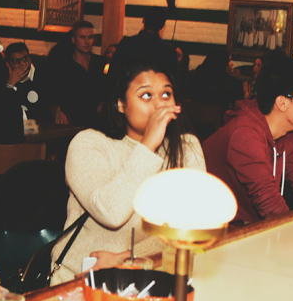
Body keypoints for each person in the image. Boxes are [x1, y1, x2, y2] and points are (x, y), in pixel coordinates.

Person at [51, 58, 206, 284]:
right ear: (121, 104)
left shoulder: (186, 147)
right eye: (146, 95)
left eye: (166, 94)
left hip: (155, 275)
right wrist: (148, 146)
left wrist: (128, 258)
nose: (159, 105)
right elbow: (112, 213)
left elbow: (190, 228)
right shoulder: (89, 144)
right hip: (81, 279)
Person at [202, 57, 293, 225]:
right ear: (282, 103)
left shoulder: (290, 136)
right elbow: (272, 209)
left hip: (249, 228)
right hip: (212, 228)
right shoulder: (245, 136)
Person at [44, 20, 106, 127]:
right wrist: (57, 111)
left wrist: (104, 103)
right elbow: (51, 91)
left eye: (90, 37)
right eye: (82, 37)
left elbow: (108, 89)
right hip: (71, 121)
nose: (87, 42)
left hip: (96, 121)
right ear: (73, 40)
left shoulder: (100, 63)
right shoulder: (63, 66)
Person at [111, 7, 178, 80]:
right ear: (163, 26)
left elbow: (113, 73)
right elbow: (173, 79)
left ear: (143, 20)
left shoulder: (126, 44)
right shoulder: (169, 52)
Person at [5, 42, 50, 124]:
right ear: (8, 64)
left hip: (42, 127)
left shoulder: (44, 76)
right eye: (16, 61)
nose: (22, 64)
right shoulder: (4, 79)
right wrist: (10, 84)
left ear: (29, 59)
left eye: (25, 58)